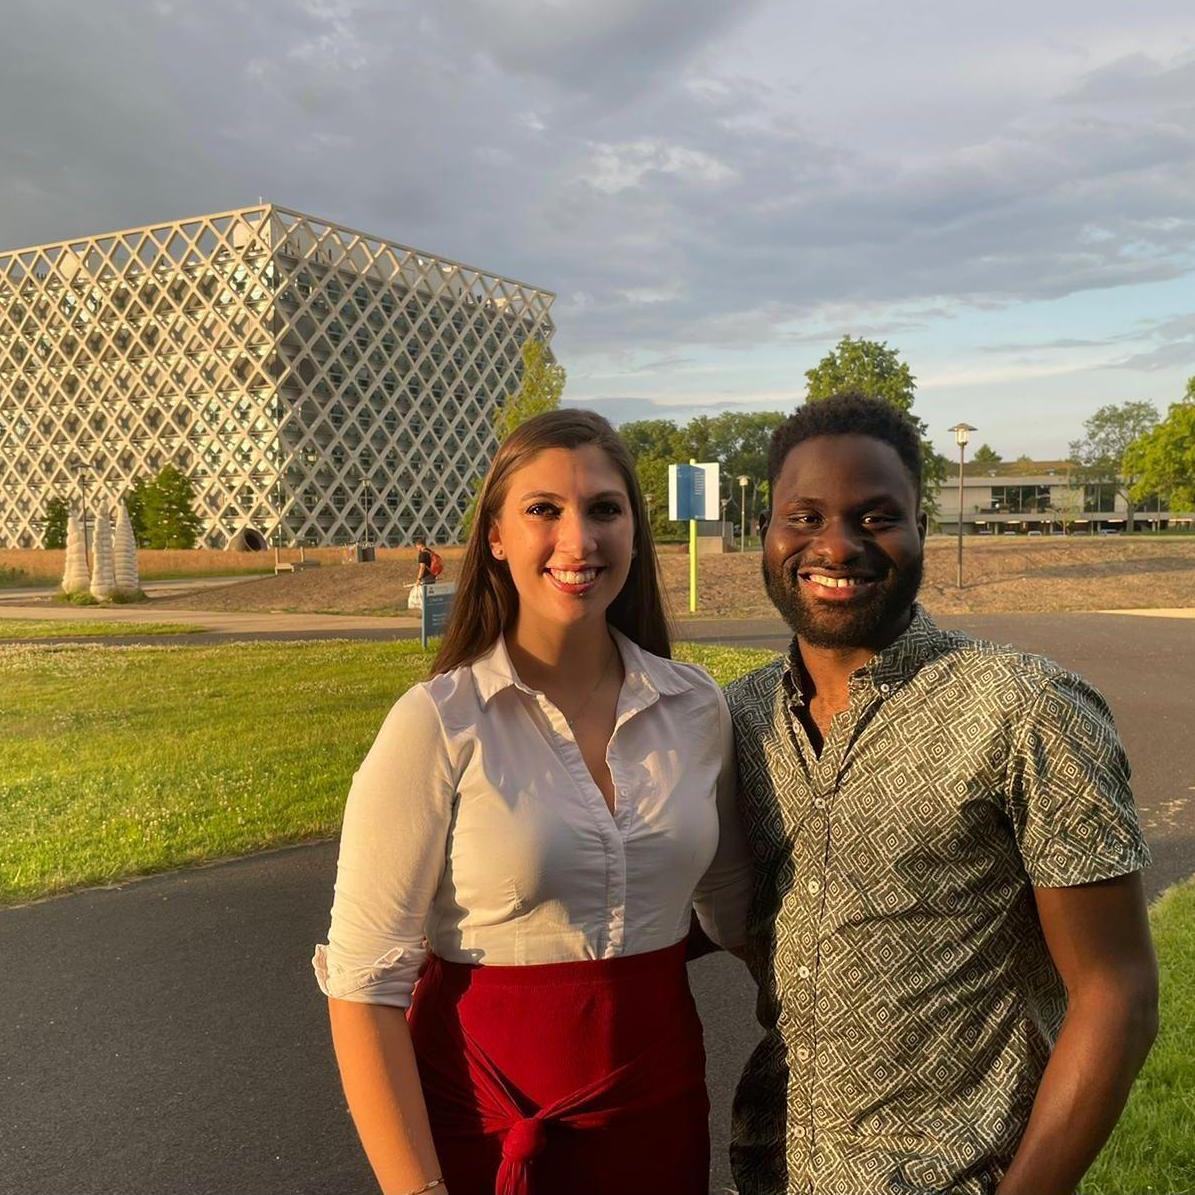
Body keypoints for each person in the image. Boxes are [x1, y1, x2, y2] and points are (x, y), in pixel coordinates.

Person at [726, 392, 1158, 1195]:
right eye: (805, 516)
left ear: (920, 527)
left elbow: (1117, 992)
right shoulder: (735, 720)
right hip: (770, 1170)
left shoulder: (1026, 708)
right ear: (766, 532)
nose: (837, 544)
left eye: (876, 517)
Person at [313, 408, 749, 1195]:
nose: (578, 539)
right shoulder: (438, 723)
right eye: (543, 509)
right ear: (495, 536)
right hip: (484, 1132)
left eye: (605, 509)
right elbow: (362, 983)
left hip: (659, 1118)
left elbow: (735, 908)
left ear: (634, 532)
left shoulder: (695, 706)